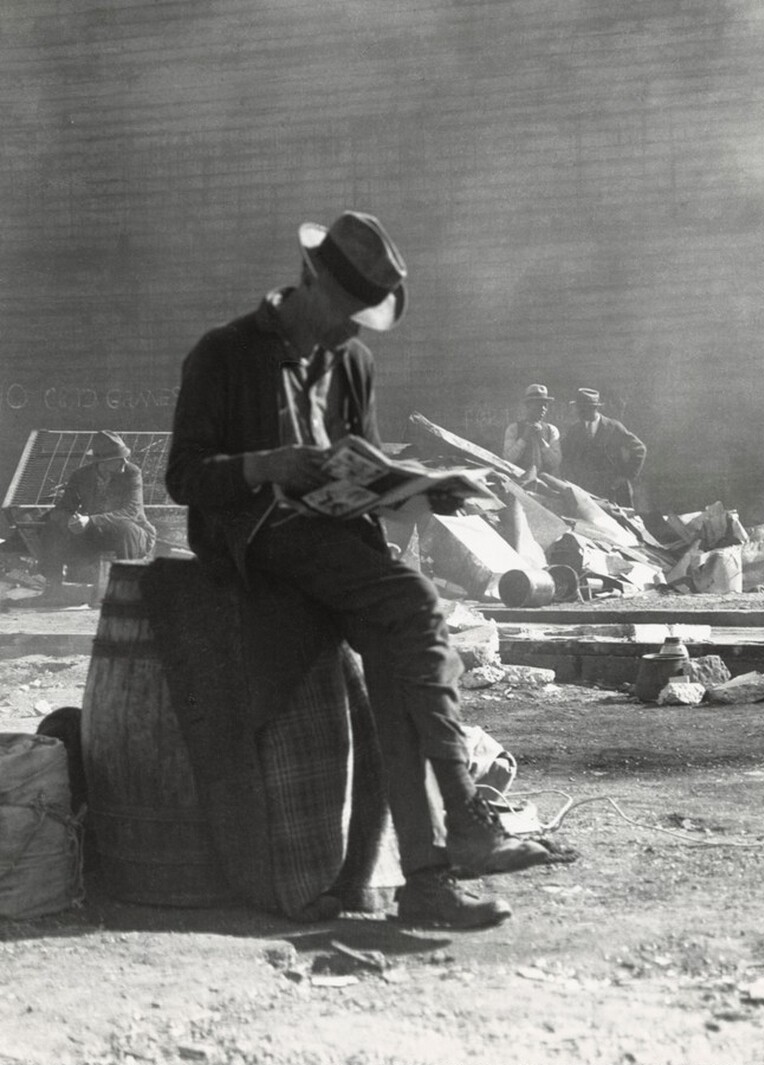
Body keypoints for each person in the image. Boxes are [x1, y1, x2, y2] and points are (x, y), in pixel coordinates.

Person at [165, 210, 561, 929]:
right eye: (345, 313)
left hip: (339, 542)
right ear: (308, 281)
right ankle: (465, 814)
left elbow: (366, 464)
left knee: (398, 662)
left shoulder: (351, 361)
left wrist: (420, 486)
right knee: (413, 601)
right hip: (258, 533)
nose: (352, 330)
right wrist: (265, 464)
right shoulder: (223, 353)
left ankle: (427, 881)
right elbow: (183, 477)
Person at [34, 431, 156, 601]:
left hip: (134, 536)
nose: (123, 462)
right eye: (118, 459)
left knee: (126, 529)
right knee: (52, 525)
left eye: (123, 457)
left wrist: (90, 520)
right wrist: (72, 521)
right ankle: (53, 589)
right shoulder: (80, 476)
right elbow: (63, 508)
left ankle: (126, 592)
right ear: (102, 462)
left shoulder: (131, 473)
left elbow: (131, 511)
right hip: (94, 535)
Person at [560, 388, 647, 507]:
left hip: (614, 490)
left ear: (593, 408)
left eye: (582, 409)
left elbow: (639, 449)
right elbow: (565, 456)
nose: (578, 412)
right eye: (578, 408)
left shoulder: (614, 427)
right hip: (587, 491)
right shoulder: (574, 430)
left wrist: (625, 476)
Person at [502, 383, 562, 477]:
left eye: (545, 405)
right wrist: (524, 438)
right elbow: (507, 459)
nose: (543, 409)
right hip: (519, 480)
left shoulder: (552, 430)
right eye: (538, 405)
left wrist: (541, 441)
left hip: (546, 483)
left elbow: (556, 462)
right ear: (528, 406)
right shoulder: (513, 429)